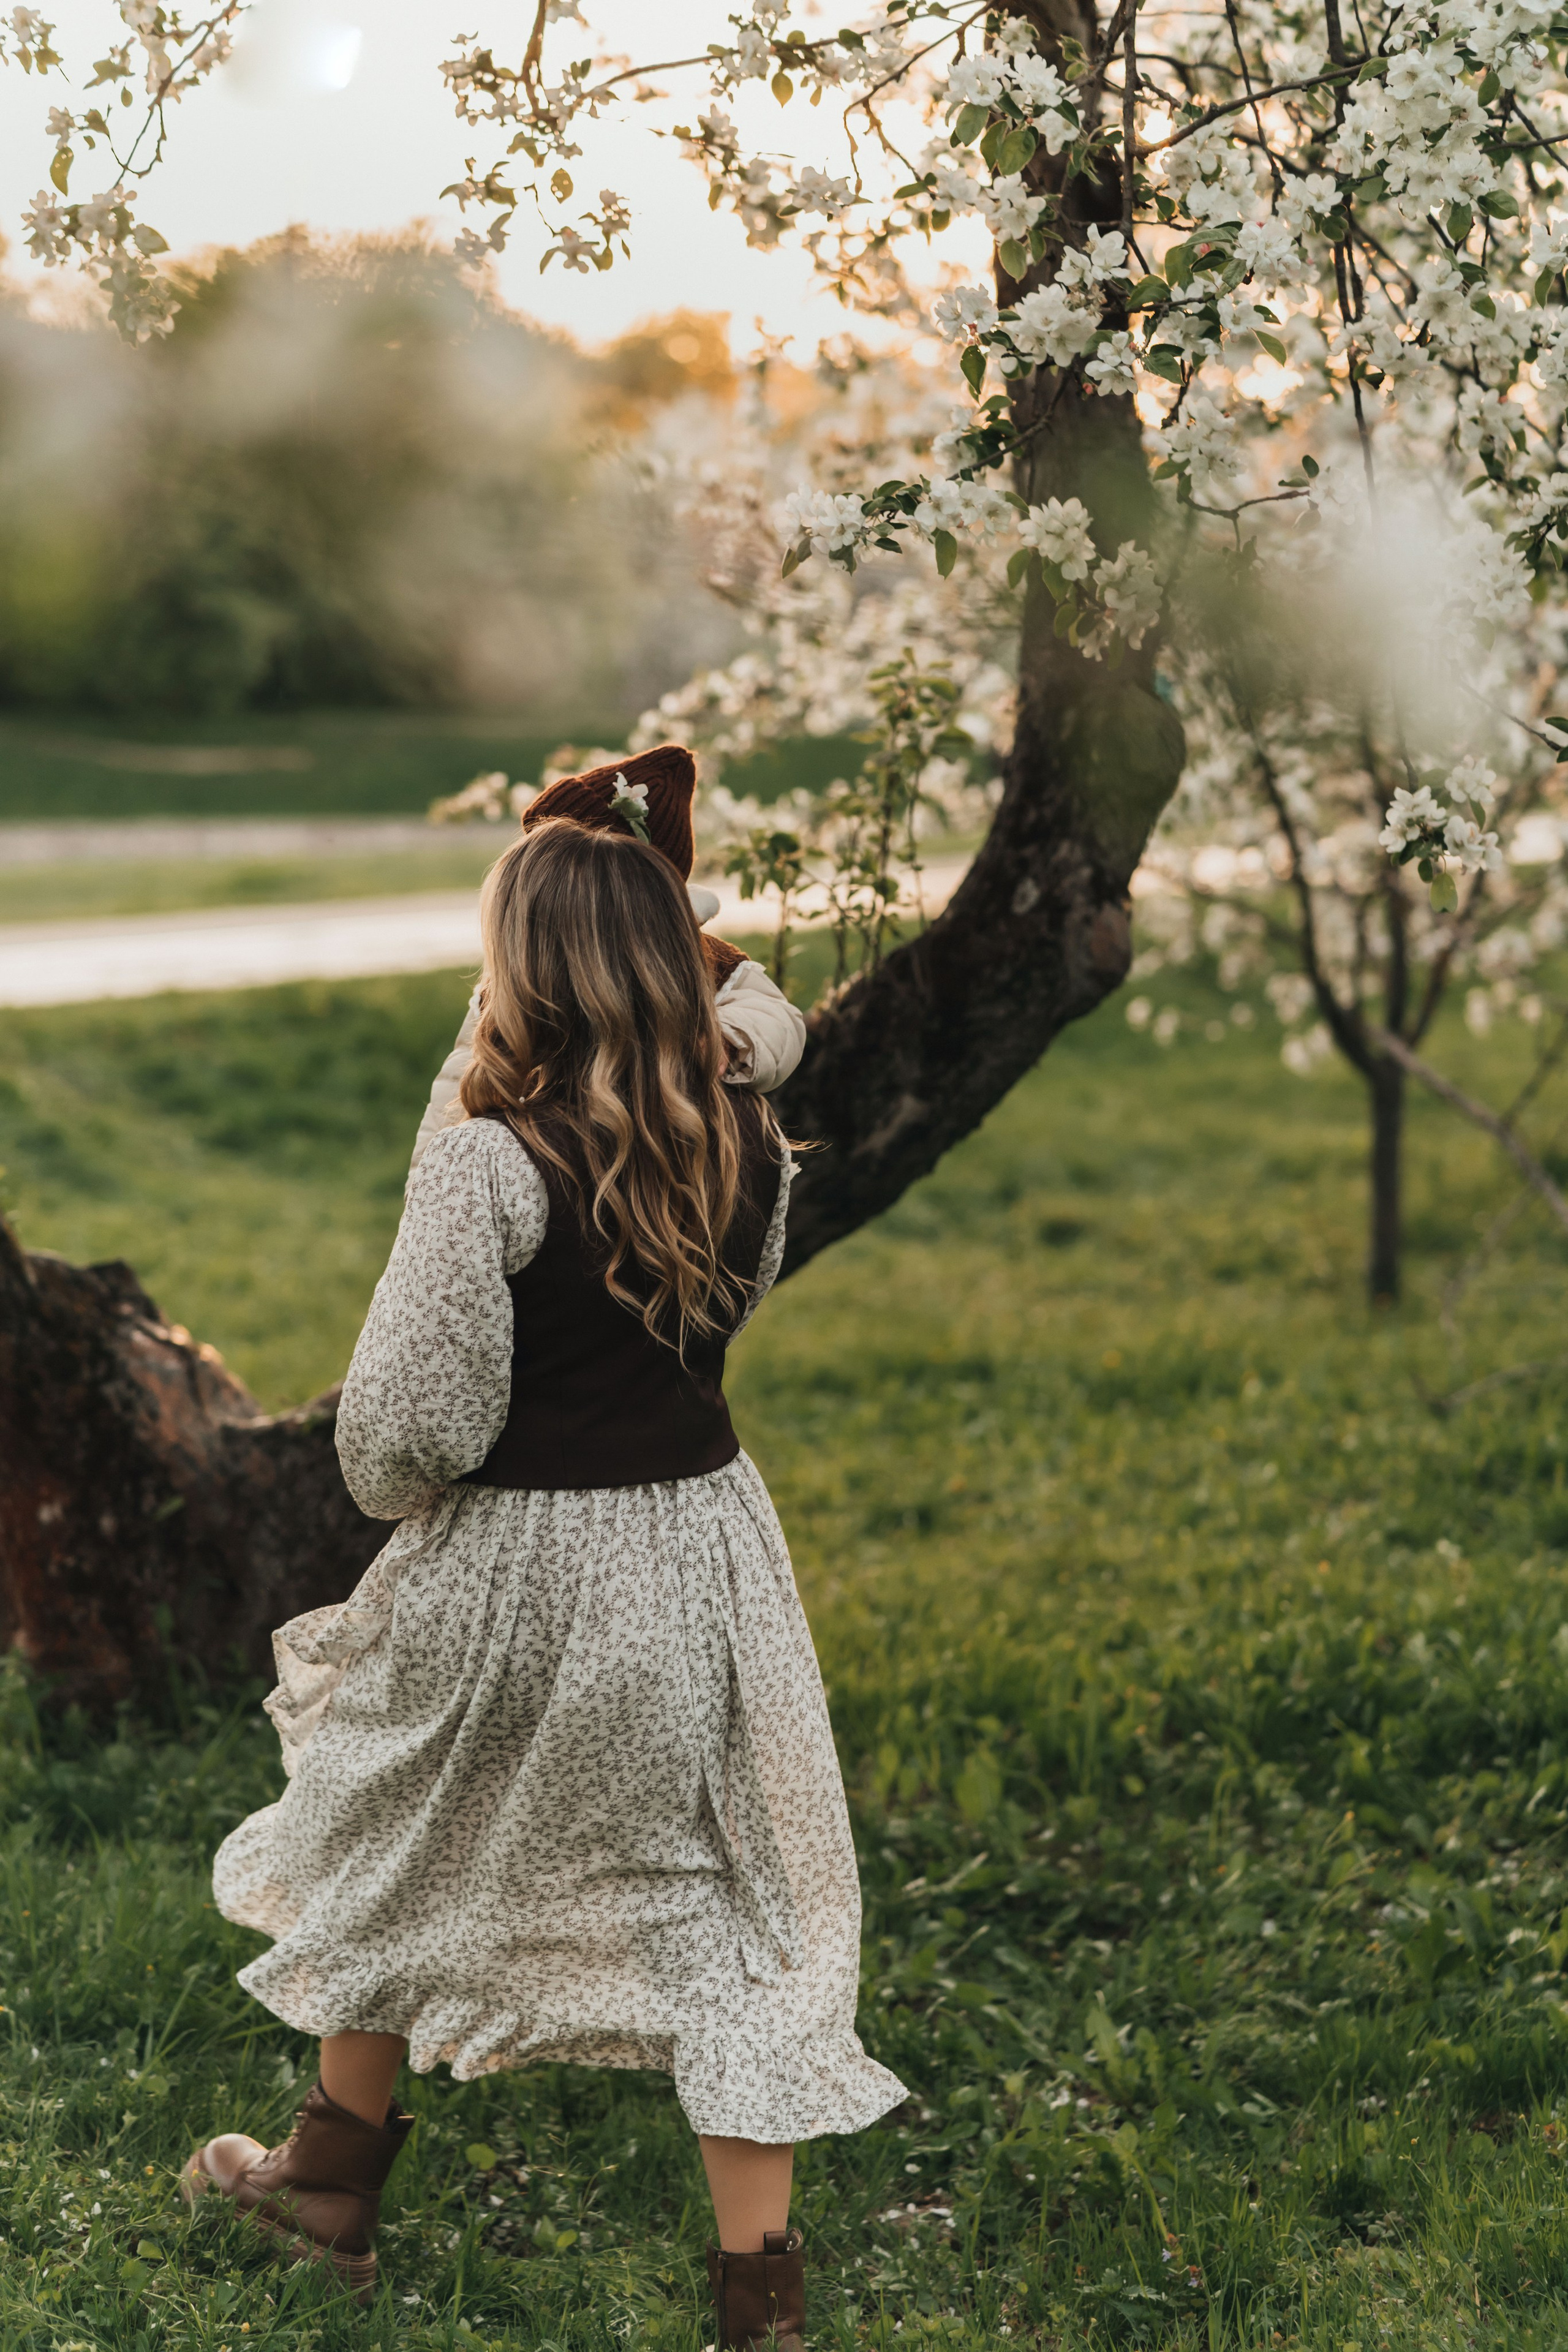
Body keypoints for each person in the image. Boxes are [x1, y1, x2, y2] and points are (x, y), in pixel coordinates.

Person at [186, 816, 905, 2343]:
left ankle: (329, 2182)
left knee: (396, 1833)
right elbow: (733, 1286)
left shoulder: (488, 1160)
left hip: (518, 1560)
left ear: (517, 971)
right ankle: (761, 2301)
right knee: (721, 1904)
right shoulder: (743, 1132)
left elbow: (409, 1428)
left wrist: (403, 1489)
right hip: (701, 1554)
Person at [410, 744, 805, 1172]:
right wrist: (430, 1177)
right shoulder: (520, 976)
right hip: (543, 1157)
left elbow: (779, 1021)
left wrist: (725, 1038)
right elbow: (458, 1081)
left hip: (651, 1154)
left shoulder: (705, 963)